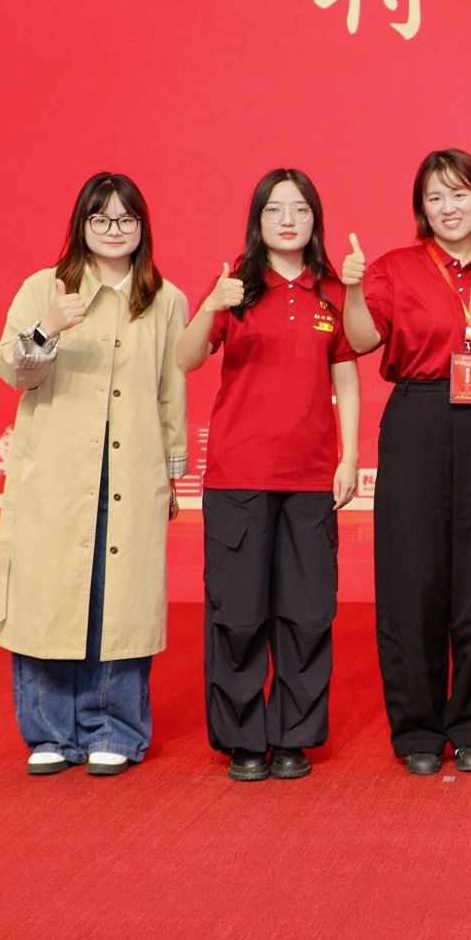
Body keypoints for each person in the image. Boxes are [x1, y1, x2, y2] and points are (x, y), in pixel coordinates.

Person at [0, 172, 188, 777]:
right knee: (50, 597)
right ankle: (50, 731)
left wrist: (173, 470)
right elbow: (13, 371)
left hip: (131, 471)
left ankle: (114, 730)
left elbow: (171, 392)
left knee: (119, 602)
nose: (113, 230)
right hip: (58, 475)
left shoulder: (165, 299)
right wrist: (48, 327)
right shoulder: (44, 288)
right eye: (100, 218)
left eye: (126, 219)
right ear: (81, 224)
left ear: (142, 228)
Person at [341, 149, 471, 776]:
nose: (449, 208)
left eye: (459, 194)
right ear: (421, 208)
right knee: (412, 580)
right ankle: (418, 729)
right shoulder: (394, 269)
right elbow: (361, 340)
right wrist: (351, 288)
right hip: (417, 419)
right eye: (435, 197)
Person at [174, 169, 361, 783]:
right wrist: (211, 306)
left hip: (310, 478)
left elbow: (346, 378)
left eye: (300, 209)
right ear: (257, 220)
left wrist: (349, 458)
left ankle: (293, 739)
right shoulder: (235, 283)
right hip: (239, 476)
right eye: (275, 209)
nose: (287, 220)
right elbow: (186, 358)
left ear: (315, 220)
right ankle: (242, 739)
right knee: (238, 613)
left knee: (307, 614)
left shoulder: (331, 291)